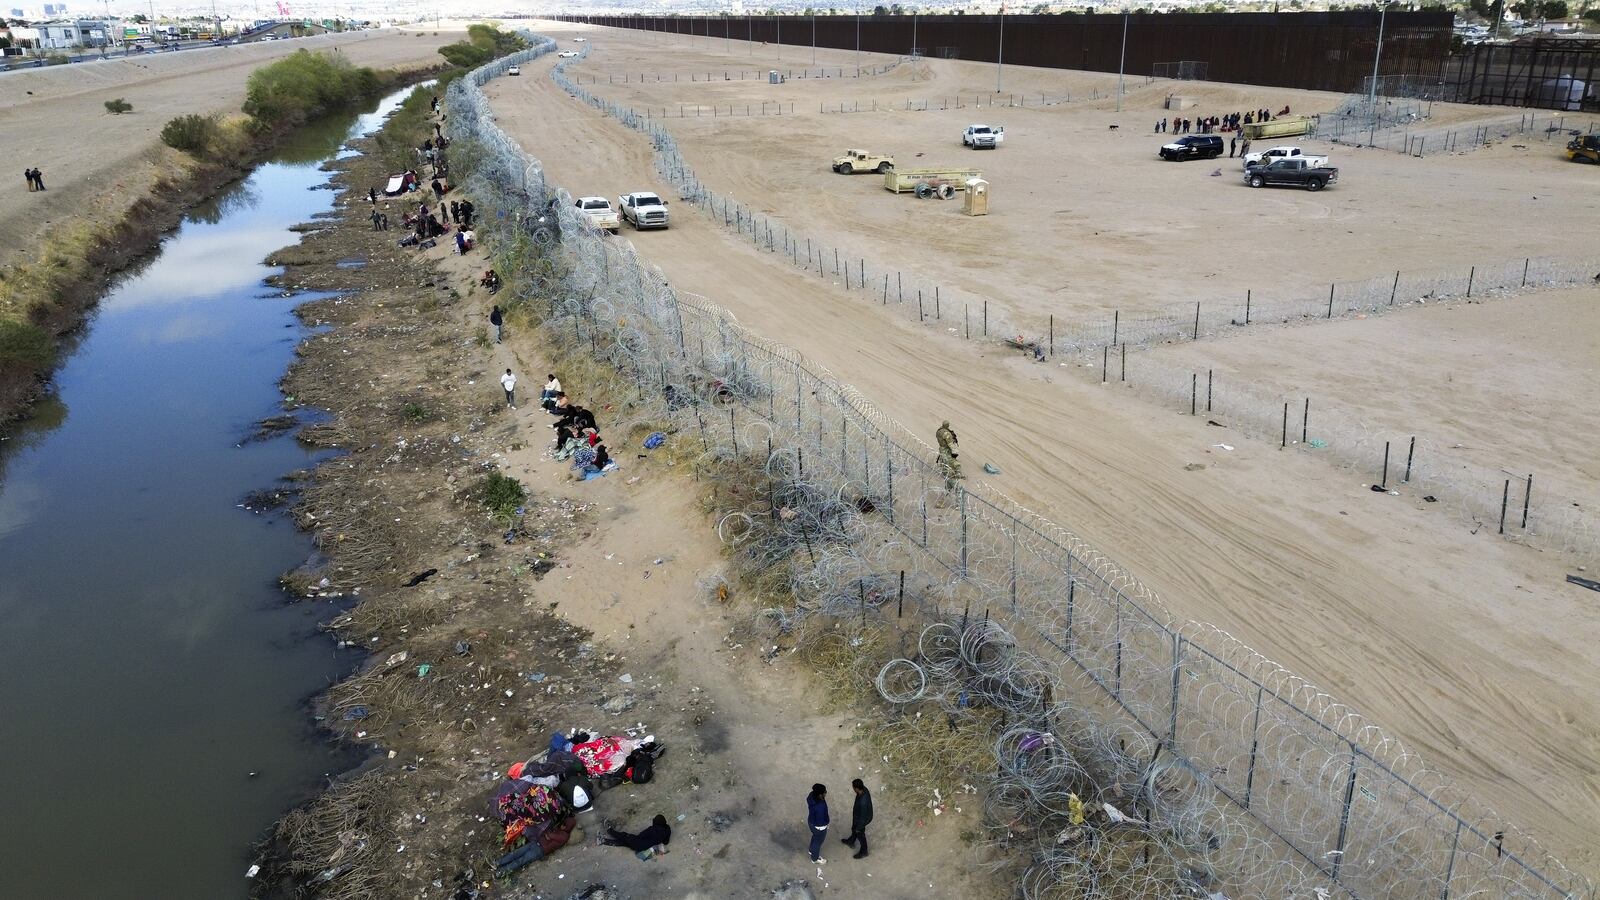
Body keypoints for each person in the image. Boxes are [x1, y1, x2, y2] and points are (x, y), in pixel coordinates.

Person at [602, 814, 671, 859]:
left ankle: (609, 830)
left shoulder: (652, 829)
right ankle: (604, 841)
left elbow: (641, 835)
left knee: (624, 836)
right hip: (643, 847)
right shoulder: (668, 829)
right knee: (624, 843)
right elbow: (666, 842)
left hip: (637, 842)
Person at [841, 779, 873, 859]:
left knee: (860, 834)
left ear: (856, 788)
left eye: (853, 787)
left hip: (861, 819)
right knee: (854, 829)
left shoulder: (863, 802)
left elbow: (863, 817)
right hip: (858, 817)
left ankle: (864, 851)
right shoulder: (863, 790)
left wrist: (859, 828)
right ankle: (851, 841)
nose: (852, 788)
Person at [806, 784, 830, 864]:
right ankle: (814, 858)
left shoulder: (811, 796)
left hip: (811, 821)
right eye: (824, 792)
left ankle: (811, 850)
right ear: (820, 795)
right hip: (819, 827)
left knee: (815, 837)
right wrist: (826, 825)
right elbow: (821, 821)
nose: (826, 793)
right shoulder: (820, 807)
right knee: (818, 842)